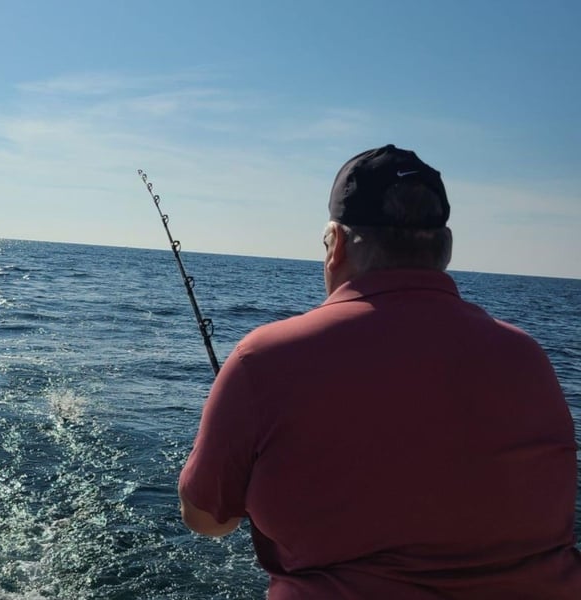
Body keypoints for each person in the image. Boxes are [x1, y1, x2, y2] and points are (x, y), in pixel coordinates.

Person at [177, 145, 581, 598]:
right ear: (444, 249)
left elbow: (208, 520)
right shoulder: (528, 358)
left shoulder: (263, 360)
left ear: (337, 244)